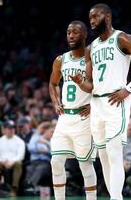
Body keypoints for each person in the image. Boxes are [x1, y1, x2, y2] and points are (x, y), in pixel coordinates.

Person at [70, 3, 131, 199]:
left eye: (95, 17)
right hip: (97, 103)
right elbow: (91, 85)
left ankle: (116, 198)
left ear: (107, 17)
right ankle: (115, 196)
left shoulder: (122, 38)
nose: (91, 21)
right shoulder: (91, 48)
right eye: (90, 17)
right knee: (103, 157)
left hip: (115, 102)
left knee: (114, 152)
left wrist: (128, 89)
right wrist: (80, 83)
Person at [49, 20, 97, 200]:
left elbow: (101, 85)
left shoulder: (91, 58)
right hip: (65, 118)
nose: (70, 35)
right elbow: (53, 83)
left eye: (75, 32)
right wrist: (55, 102)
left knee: (85, 164)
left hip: (85, 119)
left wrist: (93, 105)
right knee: (56, 161)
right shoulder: (61, 59)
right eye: (69, 32)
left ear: (84, 35)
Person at [0, 120, 25, 197]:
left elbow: (20, 155)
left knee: (18, 164)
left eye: (13, 128)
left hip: (13, 162)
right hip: (1, 162)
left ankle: (14, 188)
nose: (11, 130)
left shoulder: (20, 141)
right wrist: (1, 161)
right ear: (4, 129)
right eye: (9, 128)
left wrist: (11, 162)